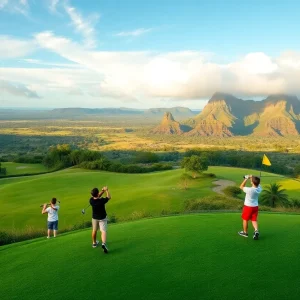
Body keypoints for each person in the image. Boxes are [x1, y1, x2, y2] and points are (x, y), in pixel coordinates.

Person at [238, 175, 262, 240]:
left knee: (245, 219)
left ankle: (245, 232)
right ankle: (256, 230)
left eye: (251, 181)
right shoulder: (259, 188)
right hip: (255, 207)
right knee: (254, 220)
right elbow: (257, 183)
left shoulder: (249, 190)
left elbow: (241, 186)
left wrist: (246, 178)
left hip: (248, 207)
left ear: (252, 182)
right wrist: (252, 177)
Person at [90, 186, 111, 253]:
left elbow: (97, 196)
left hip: (94, 218)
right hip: (102, 218)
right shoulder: (101, 200)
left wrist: (102, 191)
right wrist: (106, 190)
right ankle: (103, 244)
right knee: (103, 231)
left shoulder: (91, 200)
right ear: (97, 193)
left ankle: (94, 243)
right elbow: (109, 197)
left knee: (94, 230)